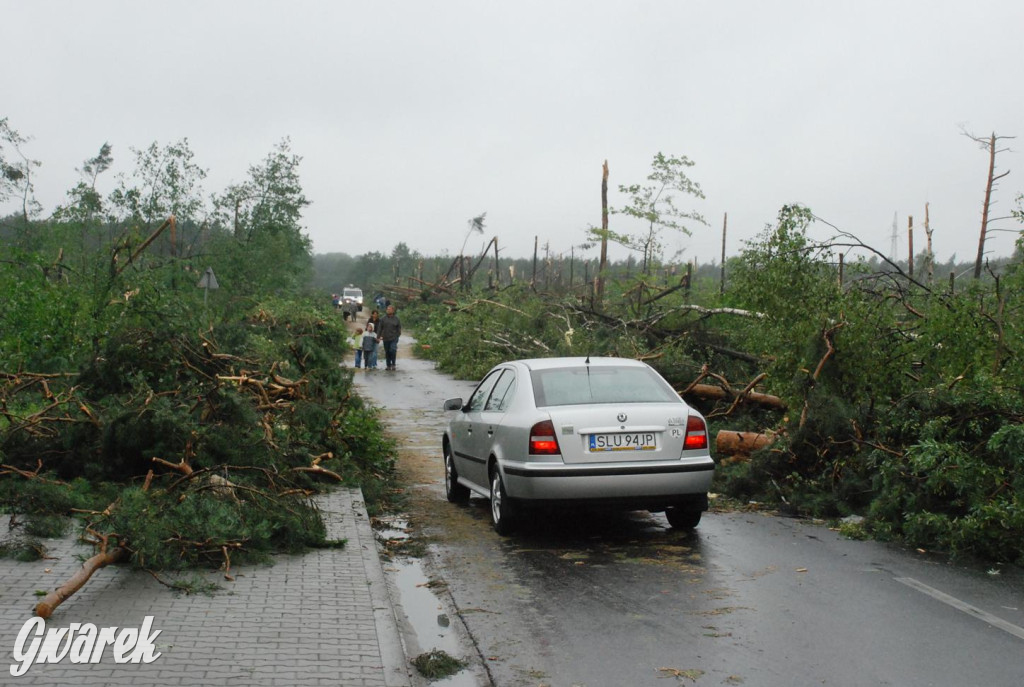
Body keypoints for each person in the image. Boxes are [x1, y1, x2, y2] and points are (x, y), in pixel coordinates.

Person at [378, 305, 402, 371]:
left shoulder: (396, 319)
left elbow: (399, 328)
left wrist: (397, 335)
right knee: (387, 351)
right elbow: (380, 328)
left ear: (393, 310)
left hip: (394, 338)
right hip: (386, 338)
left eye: (389, 309)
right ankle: (388, 365)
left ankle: (393, 364)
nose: (388, 310)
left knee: (393, 350)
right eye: (387, 309)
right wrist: (378, 337)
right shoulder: (383, 319)